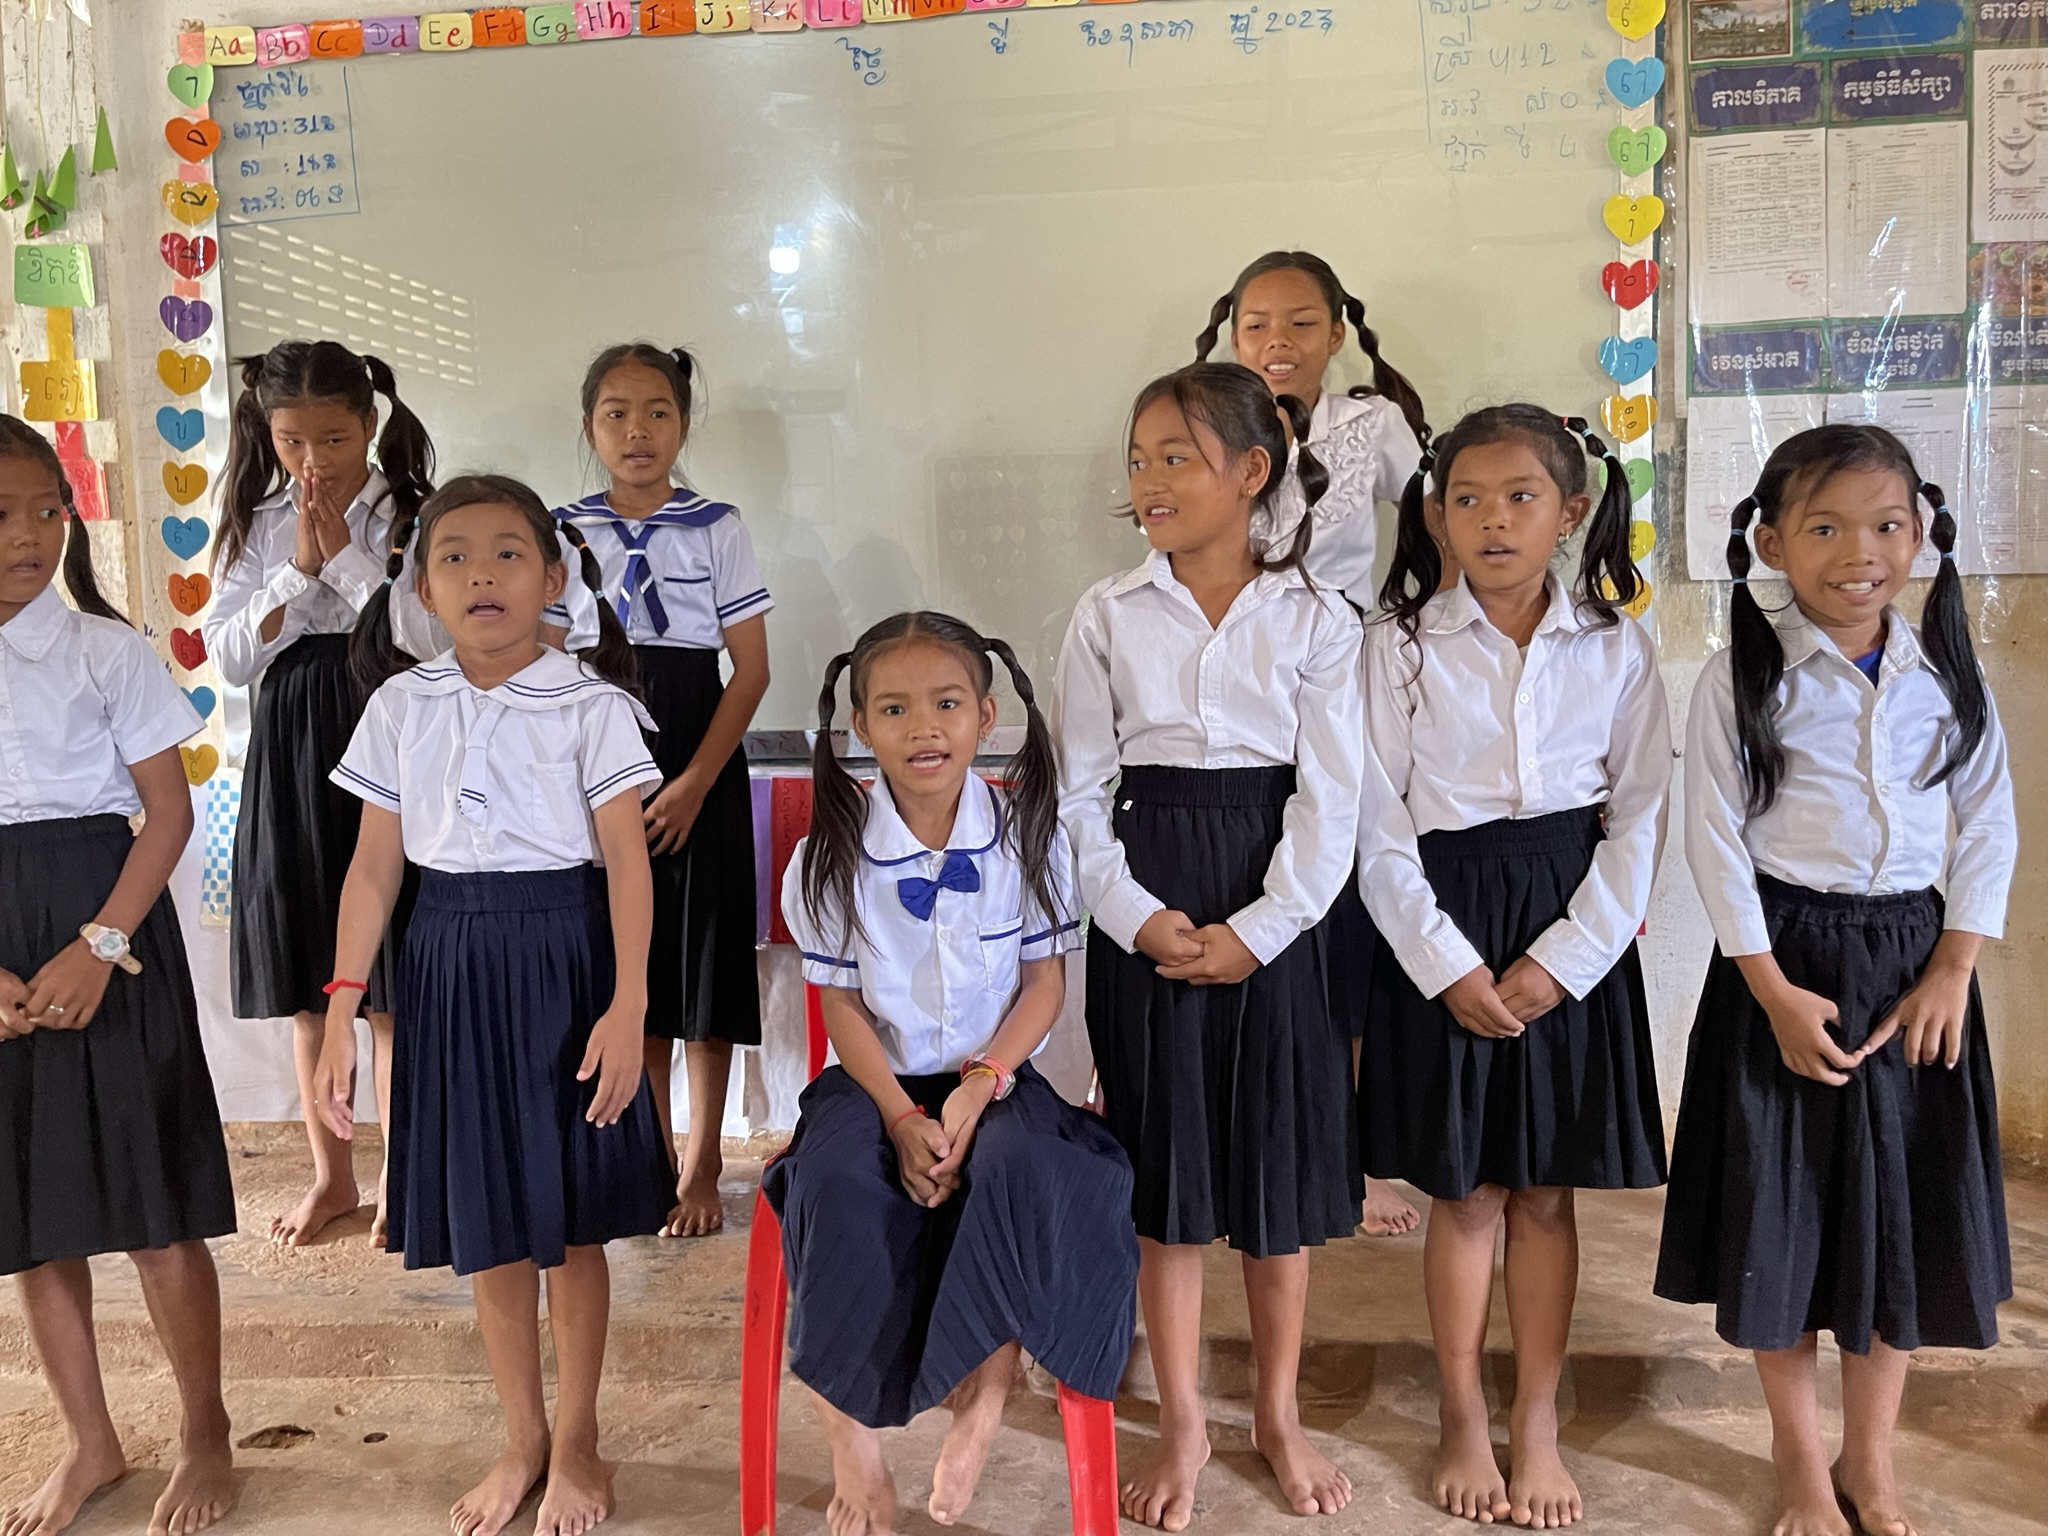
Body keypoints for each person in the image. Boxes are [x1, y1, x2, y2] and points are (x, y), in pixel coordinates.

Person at [1656, 425, 2014, 1536]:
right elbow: (1712, 838)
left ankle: (1870, 1461)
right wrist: (1764, 986)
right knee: (1781, 1226)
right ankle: (1798, 1457)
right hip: (1783, 974)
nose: (1856, 550)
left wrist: (1952, 966)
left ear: (1920, 536)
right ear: (1767, 538)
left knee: (1895, 1225)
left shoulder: (1948, 674)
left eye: (1885, 524)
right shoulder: (1740, 675)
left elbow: (1985, 826)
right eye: (1820, 525)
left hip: (1915, 975)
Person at [314, 475, 672, 1536]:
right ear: (422, 589)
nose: (482, 574)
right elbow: (374, 869)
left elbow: (625, 864)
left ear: (553, 579)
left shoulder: (595, 707)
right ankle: (520, 1439)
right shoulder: (399, 705)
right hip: (446, 966)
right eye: (455, 557)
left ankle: (580, 1441)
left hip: (563, 963)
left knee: (573, 1219)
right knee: (490, 1217)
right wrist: (341, 1007)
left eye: (509, 554)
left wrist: (627, 1005)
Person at [1054, 362, 1363, 1529]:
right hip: (1150, 903)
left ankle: (1275, 1416)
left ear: (1252, 471)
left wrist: (1261, 931)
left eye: (1174, 457)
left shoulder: (1318, 620)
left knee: (1272, 1186)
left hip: (1276, 911)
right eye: (1135, 460)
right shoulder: (1106, 613)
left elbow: (1331, 803)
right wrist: (1135, 919)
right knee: (1168, 1187)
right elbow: (1080, 795)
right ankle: (1183, 1419)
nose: (1147, 482)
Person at [1359, 405, 1668, 1528]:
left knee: (1542, 1190)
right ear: (1434, 515)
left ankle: (1535, 1418)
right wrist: (1443, 963)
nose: (1492, 521)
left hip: (1564, 919)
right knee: (1466, 1190)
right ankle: (1457, 1411)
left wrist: (1566, 961)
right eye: (1467, 500)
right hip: (1438, 922)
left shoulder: (1613, 644)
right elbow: (1374, 823)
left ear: (1570, 512)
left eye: (1520, 498)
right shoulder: (1394, 643)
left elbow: (1636, 818)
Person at [768, 611, 1136, 1536]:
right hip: (877, 1082)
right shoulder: (826, 859)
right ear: (860, 728)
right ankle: (855, 1447)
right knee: (832, 1186)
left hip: (997, 1072)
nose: (922, 726)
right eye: (894, 709)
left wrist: (980, 1085)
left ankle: (987, 1395)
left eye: (945, 704)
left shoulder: (1030, 837)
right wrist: (898, 1117)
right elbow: (843, 1009)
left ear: (984, 715)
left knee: (1029, 1173)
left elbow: (1045, 985)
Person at [0, 415, 238, 1536]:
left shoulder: (106, 649)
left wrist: (98, 946)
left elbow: (167, 810)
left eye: (48, 509)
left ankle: (205, 1430)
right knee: (33, 1219)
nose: (28, 536)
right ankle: (89, 1439)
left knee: (154, 1206)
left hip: (109, 918)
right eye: (1, 514)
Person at [1198, 253, 1433, 1236]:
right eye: (1255, 325)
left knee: (1344, 915)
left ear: (1337, 332)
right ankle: (1248, 1136)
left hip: (1344, 685)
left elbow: (1437, 527)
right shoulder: (1207, 422)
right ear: (1231, 335)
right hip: (1240, 695)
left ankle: (1346, 1151)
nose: (1277, 342)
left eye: (1300, 322)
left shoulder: (1368, 425)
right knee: (1246, 891)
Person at [205, 339, 435, 1249]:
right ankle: (332, 1177)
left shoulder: (413, 513)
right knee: (312, 985)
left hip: (385, 730)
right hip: (291, 747)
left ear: (368, 426)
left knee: (390, 992)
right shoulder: (256, 518)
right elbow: (224, 656)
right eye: (294, 441)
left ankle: (403, 1178)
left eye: (334, 440)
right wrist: (294, 571)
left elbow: (420, 637)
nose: (313, 462)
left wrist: (341, 561)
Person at [552, 343, 770, 1238]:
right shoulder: (558, 530)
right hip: (596, 744)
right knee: (625, 961)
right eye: (615, 413)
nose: (636, 431)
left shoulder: (719, 525)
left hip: (697, 748)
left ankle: (704, 1155)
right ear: (588, 425)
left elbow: (749, 672)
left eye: (656, 413)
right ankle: (641, 1150)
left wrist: (692, 785)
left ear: (683, 423)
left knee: (703, 957)